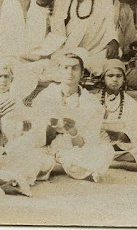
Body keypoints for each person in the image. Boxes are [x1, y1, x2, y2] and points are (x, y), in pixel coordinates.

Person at [29, 51, 115, 181]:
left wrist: (73, 132)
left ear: (82, 73)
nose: (70, 72)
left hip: (74, 149)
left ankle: (57, 166)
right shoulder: (46, 96)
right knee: (29, 155)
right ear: (59, 72)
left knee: (106, 150)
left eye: (75, 68)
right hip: (47, 148)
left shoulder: (91, 102)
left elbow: (87, 142)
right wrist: (51, 125)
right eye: (66, 68)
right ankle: (61, 166)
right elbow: (38, 138)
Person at [51, 0, 120, 75]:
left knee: (115, 53)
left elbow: (110, 25)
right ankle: (82, 67)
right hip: (67, 49)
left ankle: (82, 67)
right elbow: (57, 29)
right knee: (57, 58)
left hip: (95, 51)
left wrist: (113, 40)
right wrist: (66, 51)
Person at [98, 59, 137, 171]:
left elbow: (136, 133)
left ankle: (109, 161)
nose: (114, 79)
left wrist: (120, 135)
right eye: (110, 76)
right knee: (92, 149)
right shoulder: (94, 100)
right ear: (103, 78)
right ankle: (120, 164)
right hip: (99, 145)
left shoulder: (130, 102)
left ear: (124, 79)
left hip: (121, 147)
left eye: (118, 76)